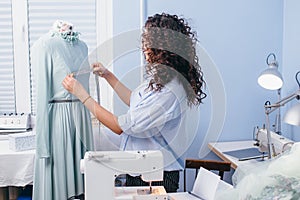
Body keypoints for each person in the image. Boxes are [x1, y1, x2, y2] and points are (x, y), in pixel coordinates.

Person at [62, 13, 206, 192]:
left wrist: (82, 95)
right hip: (141, 170)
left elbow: (122, 126)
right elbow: (134, 100)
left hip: (158, 176)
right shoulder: (162, 76)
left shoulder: (170, 90)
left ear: (162, 46)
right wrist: (108, 75)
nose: (144, 46)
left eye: (147, 40)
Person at [32, 20, 94, 200]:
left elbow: (85, 87)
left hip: (81, 116)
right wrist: (42, 144)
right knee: (61, 176)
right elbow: (42, 94)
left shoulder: (82, 46)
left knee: (85, 181)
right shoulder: (45, 45)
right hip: (60, 118)